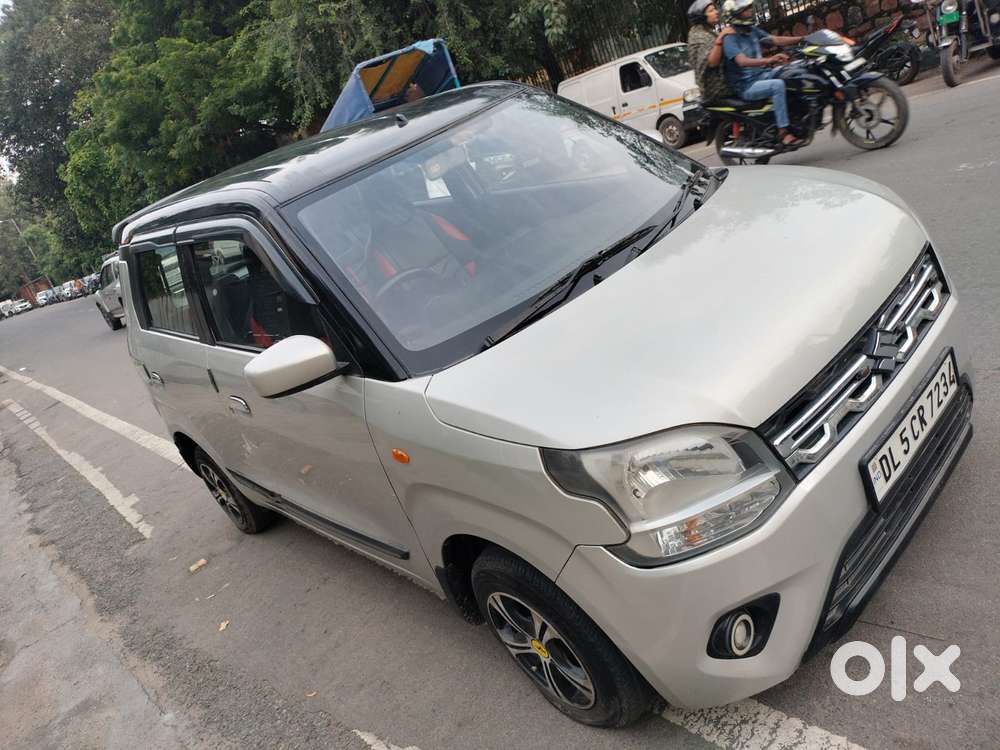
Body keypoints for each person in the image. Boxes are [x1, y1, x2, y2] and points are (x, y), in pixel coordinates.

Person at [721, 0, 804, 146]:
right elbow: (742, 61)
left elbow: (775, 39)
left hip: (762, 75)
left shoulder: (752, 30)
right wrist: (770, 59)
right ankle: (783, 132)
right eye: (746, 9)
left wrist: (803, 39)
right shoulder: (730, 38)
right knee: (777, 86)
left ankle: (798, 118)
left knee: (791, 72)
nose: (751, 11)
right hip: (746, 85)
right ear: (736, 14)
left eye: (749, 8)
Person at [686, 1, 735, 103]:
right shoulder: (700, 35)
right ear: (702, 17)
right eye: (711, 11)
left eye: (715, 9)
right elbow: (713, 62)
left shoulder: (707, 31)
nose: (716, 12)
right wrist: (721, 37)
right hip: (716, 89)